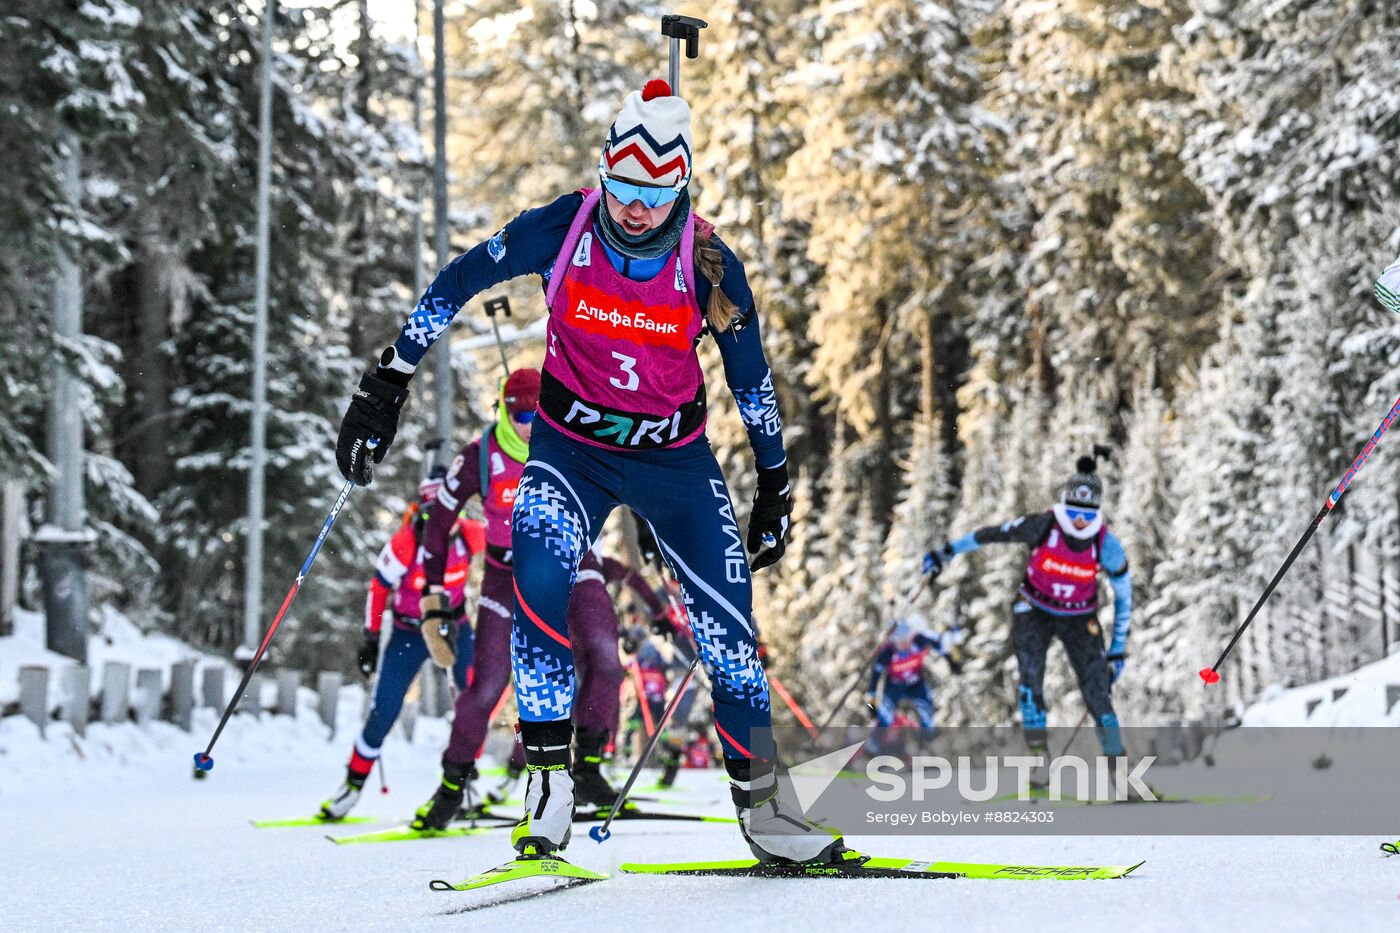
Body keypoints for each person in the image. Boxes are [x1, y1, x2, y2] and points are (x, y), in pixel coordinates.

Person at [335, 79, 846, 865]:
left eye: (656, 192)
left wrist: (775, 480)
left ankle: (765, 806)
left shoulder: (707, 259)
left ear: (680, 185)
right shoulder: (562, 226)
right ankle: (547, 784)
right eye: (624, 187)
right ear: (605, 173)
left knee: (730, 628)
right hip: (571, 448)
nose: (637, 208)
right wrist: (388, 380)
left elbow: (752, 378)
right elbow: (458, 280)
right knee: (536, 565)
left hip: (673, 458)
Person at [406, 369, 670, 829]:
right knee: (487, 686)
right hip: (507, 572)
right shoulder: (481, 457)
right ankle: (450, 788)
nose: (532, 423)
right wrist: (433, 595)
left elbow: (630, 473)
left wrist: (651, 527)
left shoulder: (571, 435)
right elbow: (437, 523)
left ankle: (587, 770)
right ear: (505, 412)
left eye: (539, 412)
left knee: (606, 659)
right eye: (522, 414)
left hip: (572, 558)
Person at [924, 455, 1133, 768]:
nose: (1079, 521)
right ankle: (1039, 761)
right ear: (1065, 506)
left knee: (1098, 692)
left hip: (1080, 617)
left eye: (1087, 514)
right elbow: (992, 534)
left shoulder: (1107, 545)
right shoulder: (1043, 525)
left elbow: (1124, 597)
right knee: (1030, 679)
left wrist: (1116, 650)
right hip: (1034, 610)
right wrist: (948, 552)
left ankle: (1120, 769)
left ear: (1097, 512)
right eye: (1074, 512)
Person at [319, 471, 482, 819]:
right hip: (410, 631)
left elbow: (506, 539)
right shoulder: (405, 543)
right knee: (385, 710)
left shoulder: (469, 536)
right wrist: (371, 639)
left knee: (471, 702)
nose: (443, 524)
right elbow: (378, 590)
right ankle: (351, 785)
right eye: (433, 515)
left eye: (450, 514)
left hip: (455, 625)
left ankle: (466, 783)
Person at [863, 618, 961, 755]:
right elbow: (872, 688)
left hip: (916, 684)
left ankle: (929, 747)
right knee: (885, 717)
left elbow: (940, 645)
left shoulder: (919, 640)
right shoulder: (887, 653)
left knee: (927, 713)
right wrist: (871, 708)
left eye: (906, 639)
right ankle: (872, 749)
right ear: (893, 641)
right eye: (900, 641)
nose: (904, 644)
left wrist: (951, 660)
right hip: (894, 686)